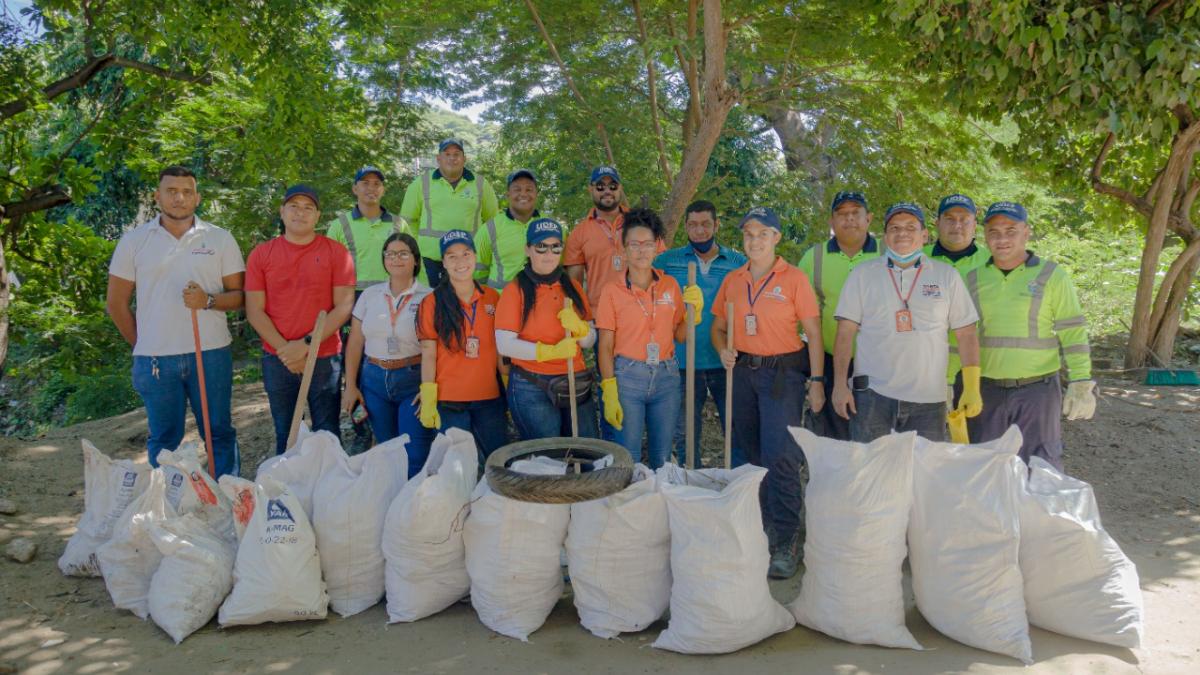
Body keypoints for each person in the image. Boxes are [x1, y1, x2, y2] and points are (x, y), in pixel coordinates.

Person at [106, 165, 245, 478]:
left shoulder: (220, 239)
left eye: (186, 191)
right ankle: (168, 505)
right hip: (155, 358)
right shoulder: (134, 241)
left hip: (210, 352)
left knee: (219, 431)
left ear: (197, 198)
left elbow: (240, 296)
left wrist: (208, 300)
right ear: (158, 197)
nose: (179, 198)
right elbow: (116, 303)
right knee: (165, 437)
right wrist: (144, 343)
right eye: (171, 191)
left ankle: (228, 498)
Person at [712, 206, 825, 579]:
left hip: (783, 377)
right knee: (751, 455)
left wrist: (818, 382)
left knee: (782, 458)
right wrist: (722, 348)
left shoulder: (793, 279)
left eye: (763, 233)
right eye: (748, 233)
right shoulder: (733, 279)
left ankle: (787, 539)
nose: (754, 240)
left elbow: (814, 333)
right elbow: (718, 327)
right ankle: (758, 533)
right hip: (744, 374)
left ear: (776, 237)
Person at [830, 202, 982, 443]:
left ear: (924, 235)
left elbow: (967, 334)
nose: (902, 233)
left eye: (911, 227)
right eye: (894, 227)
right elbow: (845, 333)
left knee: (922, 475)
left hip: (929, 400)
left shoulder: (946, 276)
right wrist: (840, 385)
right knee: (872, 473)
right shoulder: (862, 274)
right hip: (873, 397)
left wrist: (972, 388)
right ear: (885, 235)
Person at [965, 202, 1096, 470]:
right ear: (985, 236)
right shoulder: (974, 279)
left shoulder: (1052, 276)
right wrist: (949, 383)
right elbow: (961, 339)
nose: (1002, 238)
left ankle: (1037, 514)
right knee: (985, 465)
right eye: (994, 231)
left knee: (1040, 466)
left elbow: (1072, 331)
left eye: (1011, 230)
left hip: (1038, 390)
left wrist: (1081, 381)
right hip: (985, 389)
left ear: (1027, 232)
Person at [245, 185, 356, 454]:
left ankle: (329, 490)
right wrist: (286, 351)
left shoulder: (337, 253)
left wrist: (307, 344)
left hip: (323, 357)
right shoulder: (262, 254)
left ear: (317, 216)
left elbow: (343, 306)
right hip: (277, 358)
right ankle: (290, 491)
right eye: (294, 206)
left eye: (308, 208)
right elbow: (254, 310)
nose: (300, 213)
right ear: (282, 212)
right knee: (286, 431)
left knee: (327, 432)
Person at [597, 208, 703, 469]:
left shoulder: (670, 286)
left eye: (647, 244)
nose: (641, 250)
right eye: (634, 244)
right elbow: (606, 345)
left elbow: (679, 335)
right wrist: (609, 389)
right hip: (627, 378)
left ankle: (658, 506)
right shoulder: (612, 291)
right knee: (628, 458)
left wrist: (694, 315)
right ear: (624, 249)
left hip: (667, 378)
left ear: (657, 247)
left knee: (662, 459)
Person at [564, 166, 664, 440]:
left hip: (641, 317)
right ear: (591, 190)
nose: (606, 190)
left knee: (645, 379)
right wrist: (582, 322)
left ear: (620, 189)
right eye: (600, 186)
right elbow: (574, 283)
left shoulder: (638, 223)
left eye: (612, 185)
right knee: (610, 385)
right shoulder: (580, 232)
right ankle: (614, 449)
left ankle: (646, 442)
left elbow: (659, 266)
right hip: (602, 320)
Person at [654, 200, 747, 467]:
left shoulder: (737, 262)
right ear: (685, 227)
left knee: (734, 428)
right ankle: (690, 486)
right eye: (693, 225)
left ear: (716, 224)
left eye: (706, 224)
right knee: (686, 433)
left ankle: (737, 486)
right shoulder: (667, 261)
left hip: (724, 360)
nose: (700, 230)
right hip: (683, 362)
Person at [495, 218, 598, 439]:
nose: (548, 253)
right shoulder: (515, 290)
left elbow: (590, 340)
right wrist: (548, 352)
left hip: (575, 380)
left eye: (555, 247)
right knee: (549, 460)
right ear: (528, 250)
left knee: (589, 454)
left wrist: (581, 330)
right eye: (541, 247)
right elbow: (504, 344)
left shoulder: (573, 287)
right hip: (532, 386)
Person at [341, 232, 433, 476]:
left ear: (415, 259)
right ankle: (390, 506)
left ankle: (413, 508)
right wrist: (350, 385)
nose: (396, 259)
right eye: (390, 254)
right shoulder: (370, 296)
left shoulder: (429, 297)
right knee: (387, 450)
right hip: (373, 380)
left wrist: (429, 387)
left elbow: (437, 348)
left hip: (412, 381)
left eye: (403, 253)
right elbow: (355, 343)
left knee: (414, 453)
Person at [797, 191, 880, 440]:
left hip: (881, 364)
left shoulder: (888, 253)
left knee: (876, 438)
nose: (850, 219)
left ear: (869, 219)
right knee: (836, 438)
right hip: (831, 362)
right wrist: (816, 379)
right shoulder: (815, 257)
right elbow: (798, 313)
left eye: (856, 213)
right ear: (831, 222)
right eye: (842, 214)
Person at [417, 230, 507, 459]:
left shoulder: (492, 297)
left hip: (489, 398)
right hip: (449, 401)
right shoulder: (431, 302)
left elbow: (499, 349)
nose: (460, 262)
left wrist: (508, 384)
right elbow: (428, 353)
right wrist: (428, 395)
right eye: (452, 256)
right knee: (456, 468)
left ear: (475, 257)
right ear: (443, 263)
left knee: (498, 464)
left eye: (466, 254)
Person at [400, 139, 499, 286]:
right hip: (430, 263)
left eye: (456, 154)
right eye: (447, 154)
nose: (452, 158)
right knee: (431, 306)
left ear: (464, 159)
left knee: (464, 306)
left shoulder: (481, 184)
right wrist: (416, 251)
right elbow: (407, 222)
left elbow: (493, 223)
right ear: (438, 158)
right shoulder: (421, 183)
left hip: (467, 261)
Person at [925, 193, 991, 394]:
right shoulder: (917, 259)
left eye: (964, 220)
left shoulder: (993, 262)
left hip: (977, 370)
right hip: (925, 370)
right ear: (937, 223)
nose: (957, 225)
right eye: (950, 219)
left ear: (974, 224)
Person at [326, 166, 412, 290]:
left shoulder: (399, 223)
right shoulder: (339, 225)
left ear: (383, 190)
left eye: (377, 184)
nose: (371, 188)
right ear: (355, 189)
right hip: (353, 296)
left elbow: (411, 260)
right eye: (365, 183)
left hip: (392, 293)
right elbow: (329, 266)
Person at [474, 169, 543, 290]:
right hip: (500, 304)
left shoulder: (550, 226)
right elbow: (477, 273)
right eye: (517, 189)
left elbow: (561, 269)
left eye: (529, 189)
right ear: (508, 195)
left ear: (536, 194)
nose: (523, 194)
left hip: (541, 304)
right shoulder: (490, 228)